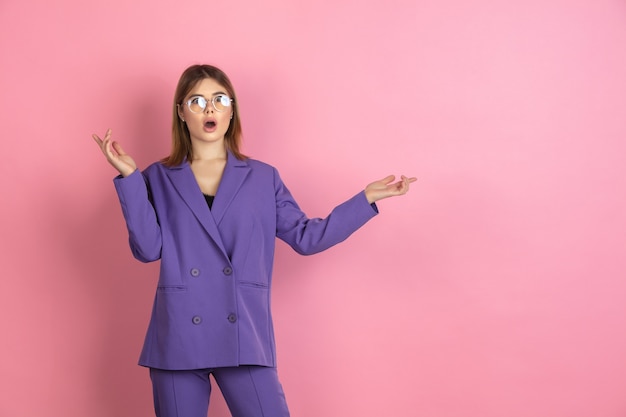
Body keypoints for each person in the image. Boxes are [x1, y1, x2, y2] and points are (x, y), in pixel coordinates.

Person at [92, 64, 416, 417]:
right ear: (182, 113)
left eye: (219, 99)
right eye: (197, 101)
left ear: (232, 110)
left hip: (243, 333)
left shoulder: (263, 178)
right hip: (179, 337)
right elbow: (148, 249)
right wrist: (129, 178)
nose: (210, 108)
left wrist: (365, 199)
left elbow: (307, 237)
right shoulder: (158, 177)